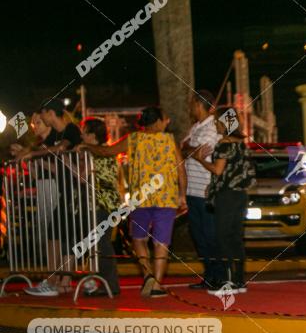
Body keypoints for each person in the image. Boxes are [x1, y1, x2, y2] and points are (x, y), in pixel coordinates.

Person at [79, 106, 186, 298]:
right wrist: (183, 195)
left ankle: (148, 275)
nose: (167, 122)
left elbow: (108, 151)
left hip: (140, 199)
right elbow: (180, 169)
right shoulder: (170, 141)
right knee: (161, 243)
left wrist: (88, 147)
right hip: (166, 198)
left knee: (139, 239)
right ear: (157, 121)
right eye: (165, 119)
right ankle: (156, 284)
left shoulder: (133, 139)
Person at [22, 99, 84, 297]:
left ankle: (61, 280)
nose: (41, 119)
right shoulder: (55, 135)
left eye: (43, 115)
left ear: (51, 113)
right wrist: (31, 158)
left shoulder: (71, 130)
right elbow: (56, 163)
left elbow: (61, 150)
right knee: (57, 234)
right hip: (63, 190)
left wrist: (32, 155)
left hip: (77, 192)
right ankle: (56, 279)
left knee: (67, 235)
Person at [194, 107, 255, 295]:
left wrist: (201, 160)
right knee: (236, 237)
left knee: (222, 237)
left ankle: (227, 282)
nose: (215, 125)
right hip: (241, 195)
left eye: (216, 122)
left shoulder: (224, 143)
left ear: (223, 122)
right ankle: (239, 281)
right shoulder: (243, 144)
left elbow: (218, 170)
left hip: (226, 196)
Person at [180, 91, 224, 290]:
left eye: (192, 104)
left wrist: (188, 149)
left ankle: (219, 277)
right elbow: (183, 147)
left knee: (210, 235)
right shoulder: (196, 127)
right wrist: (190, 149)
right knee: (198, 236)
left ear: (199, 104)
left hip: (206, 190)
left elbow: (196, 150)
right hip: (192, 190)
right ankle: (209, 275)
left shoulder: (212, 129)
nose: (190, 107)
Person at [80, 118, 121, 297]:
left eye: (84, 131)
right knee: (98, 243)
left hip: (104, 203)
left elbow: (100, 178)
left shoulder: (102, 153)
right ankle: (105, 282)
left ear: (92, 135)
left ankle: (110, 284)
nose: (82, 135)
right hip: (102, 203)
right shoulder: (98, 152)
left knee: (102, 244)